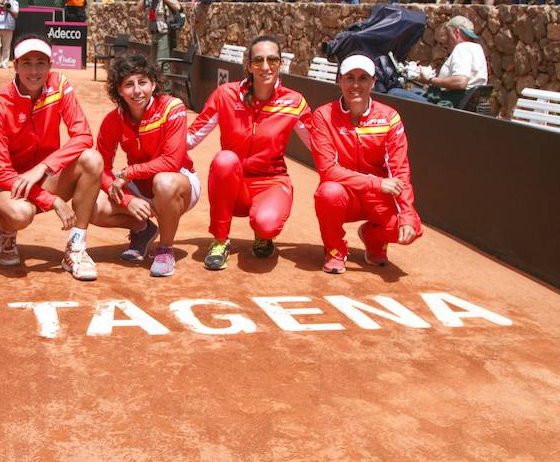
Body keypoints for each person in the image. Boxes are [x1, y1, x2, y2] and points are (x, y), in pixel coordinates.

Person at [0, 34, 103, 281]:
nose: (34, 71)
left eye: (41, 63)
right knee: (19, 214)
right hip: (3, 187)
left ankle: (76, 247)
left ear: (50, 65)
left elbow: (83, 135)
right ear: (15, 66)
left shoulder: (59, 85)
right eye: (27, 63)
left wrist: (43, 168)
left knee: (92, 159)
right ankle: (6, 231)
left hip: (44, 176)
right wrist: (53, 201)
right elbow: (2, 173)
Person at [188, 35, 312, 271]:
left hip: (271, 183)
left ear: (281, 64)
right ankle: (220, 240)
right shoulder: (225, 94)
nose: (265, 67)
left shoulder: (294, 102)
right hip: (233, 187)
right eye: (258, 61)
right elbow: (191, 137)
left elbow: (319, 145)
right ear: (248, 66)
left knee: (266, 223)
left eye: (272, 60)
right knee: (225, 159)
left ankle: (263, 235)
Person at [311, 55, 421, 275]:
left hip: (378, 197)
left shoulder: (389, 117)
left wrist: (407, 214)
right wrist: (376, 183)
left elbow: (400, 170)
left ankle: (373, 237)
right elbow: (328, 170)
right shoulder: (323, 115)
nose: (355, 85)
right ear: (339, 81)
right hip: (346, 194)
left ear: (373, 82)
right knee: (328, 192)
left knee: (411, 228)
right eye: (349, 78)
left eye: (363, 78)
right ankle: (334, 250)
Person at [92, 54, 199, 276]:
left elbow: (172, 161)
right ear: (119, 91)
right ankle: (142, 229)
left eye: (143, 82)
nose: (137, 90)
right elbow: (100, 168)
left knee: (164, 181)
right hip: (139, 189)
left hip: (177, 183)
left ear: (153, 84)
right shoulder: (113, 121)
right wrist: (128, 200)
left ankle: (165, 249)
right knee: (91, 205)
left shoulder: (172, 107)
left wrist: (129, 172)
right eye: (129, 85)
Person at [388, 16, 488, 107]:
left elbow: (460, 82)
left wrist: (430, 79)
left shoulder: (462, 48)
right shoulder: (477, 48)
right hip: (462, 102)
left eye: (448, 35)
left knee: (394, 93)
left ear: (456, 32)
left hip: (449, 105)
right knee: (414, 90)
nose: (446, 41)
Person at [136, 0, 181, 64]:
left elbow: (177, 7)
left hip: (164, 32)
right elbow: (138, 10)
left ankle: (163, 78)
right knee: (153, 61)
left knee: (162, 62)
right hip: (154, 32)